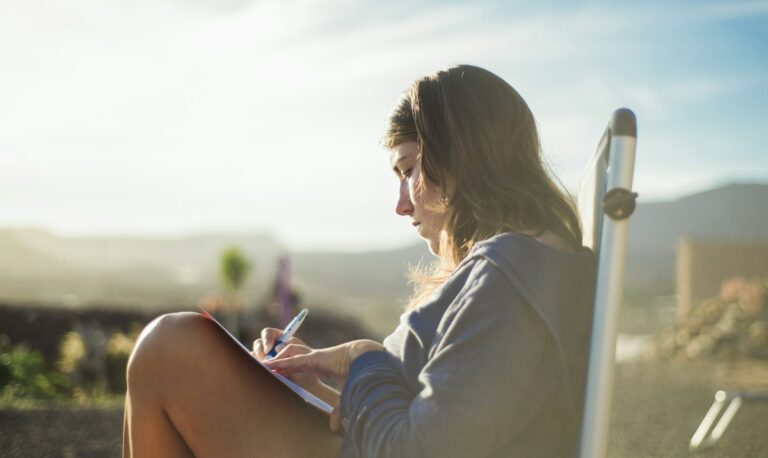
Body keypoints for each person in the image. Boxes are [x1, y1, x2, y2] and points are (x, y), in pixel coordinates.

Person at [122, 64, 596, 457]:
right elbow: (431, 415)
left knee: (171, 349)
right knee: (176, 356)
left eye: (409, 170)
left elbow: (425, 448)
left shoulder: (510, 274)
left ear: (463, 159)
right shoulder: (522, 271)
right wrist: (320, 384)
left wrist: (363, 358)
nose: (401, 204)